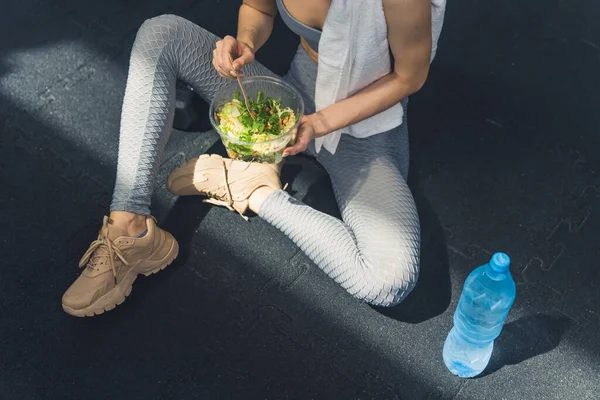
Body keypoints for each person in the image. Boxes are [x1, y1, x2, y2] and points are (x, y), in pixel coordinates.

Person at [62, 0, 445, 317]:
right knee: (162, 34)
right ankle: (130, 225)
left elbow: (409, 76)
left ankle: (251, 188)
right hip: (290, 101)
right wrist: (245, 42)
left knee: (390, 280)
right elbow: (258, 9)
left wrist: (322, 122)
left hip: (365, 132)